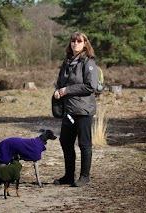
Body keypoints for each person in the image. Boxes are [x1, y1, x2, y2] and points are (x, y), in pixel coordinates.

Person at [53, 32, 99, 187]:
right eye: (73, 41)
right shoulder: (67, 62)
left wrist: (67, 90)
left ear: (85, 43)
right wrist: (58, 90)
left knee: (84, 144)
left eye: (79, 41)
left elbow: (90, 86)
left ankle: (85, 176)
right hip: (69, 111)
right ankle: (68, 176)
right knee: (65, 142)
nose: (75, 43)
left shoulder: (89, 63)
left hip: (83, 111)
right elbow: (60, 82)